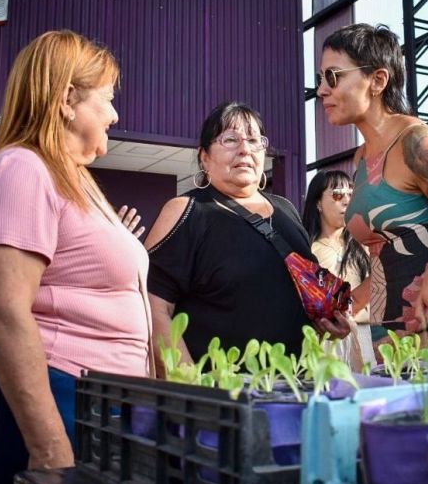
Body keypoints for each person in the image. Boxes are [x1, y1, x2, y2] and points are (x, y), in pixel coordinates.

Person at [0, 30, 154, 484]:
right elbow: (0, 310)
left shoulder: (73, 178)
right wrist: (50, 448)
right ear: (67, 99)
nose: (115, 113)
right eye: (106, 99)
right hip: (57, 399)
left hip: (94, 402)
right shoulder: (23, 167)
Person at [317, 23, 428, 343]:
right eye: (320, 79)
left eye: (333, 76)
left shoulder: (416, 143)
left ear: (378, 80)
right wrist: (345, 306)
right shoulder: (362, 159)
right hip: (386, 330)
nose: (322, 90)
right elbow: (386, 263)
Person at [146, 102, 350, 365]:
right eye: (230, 140)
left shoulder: (286, 209)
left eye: (254, 140)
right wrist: (189, 386)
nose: (244, 149)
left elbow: (301, 296)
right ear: (204, 157)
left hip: (295, 385)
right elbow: (154, 309)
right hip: (221, 392)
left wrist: (328, 323)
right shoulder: (186, 211)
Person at [302, 170, 373, 366]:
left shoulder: (365, 246)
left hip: (362, 337)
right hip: (323, 343)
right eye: (338, 195)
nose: (346, 201)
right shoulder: (307, 250)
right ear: (318, 203)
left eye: (351, 195)